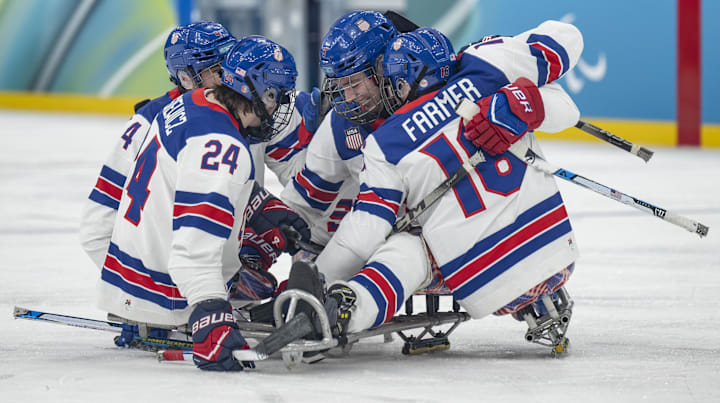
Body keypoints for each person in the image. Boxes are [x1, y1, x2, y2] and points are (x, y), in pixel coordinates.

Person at [309, 22, 583, 346]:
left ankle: (347, 309)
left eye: (393, 83)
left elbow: (363, 233)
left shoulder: (383, 144)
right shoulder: (487, 63)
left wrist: (315, 279)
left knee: (404, 249)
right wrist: (527, 103)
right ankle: (539, 300)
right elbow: (568, 42)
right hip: (554, 254)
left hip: (480, 283)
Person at [95, 35, 309, 371]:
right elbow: (193, 251)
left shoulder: (196, 100)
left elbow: (187, 179)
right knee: (252, 244)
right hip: (166, 293)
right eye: (273, 95)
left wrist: (258, 204)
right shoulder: (222, 145)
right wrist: (211, 311)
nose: (278, 106)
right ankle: (214, 294)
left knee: (266, 231)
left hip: (134, 265)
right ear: (252, 90)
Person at [79, 22, 322, 302]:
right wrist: (139, 291)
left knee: (275, 219)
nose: (229, 76)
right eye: (217, 71)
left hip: (213, 240)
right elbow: (96, 229)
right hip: (174, 260)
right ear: (186, 79)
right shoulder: (150, 122)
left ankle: (239, 271)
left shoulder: (248, 107)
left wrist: (321, 142)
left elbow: (297, 176)